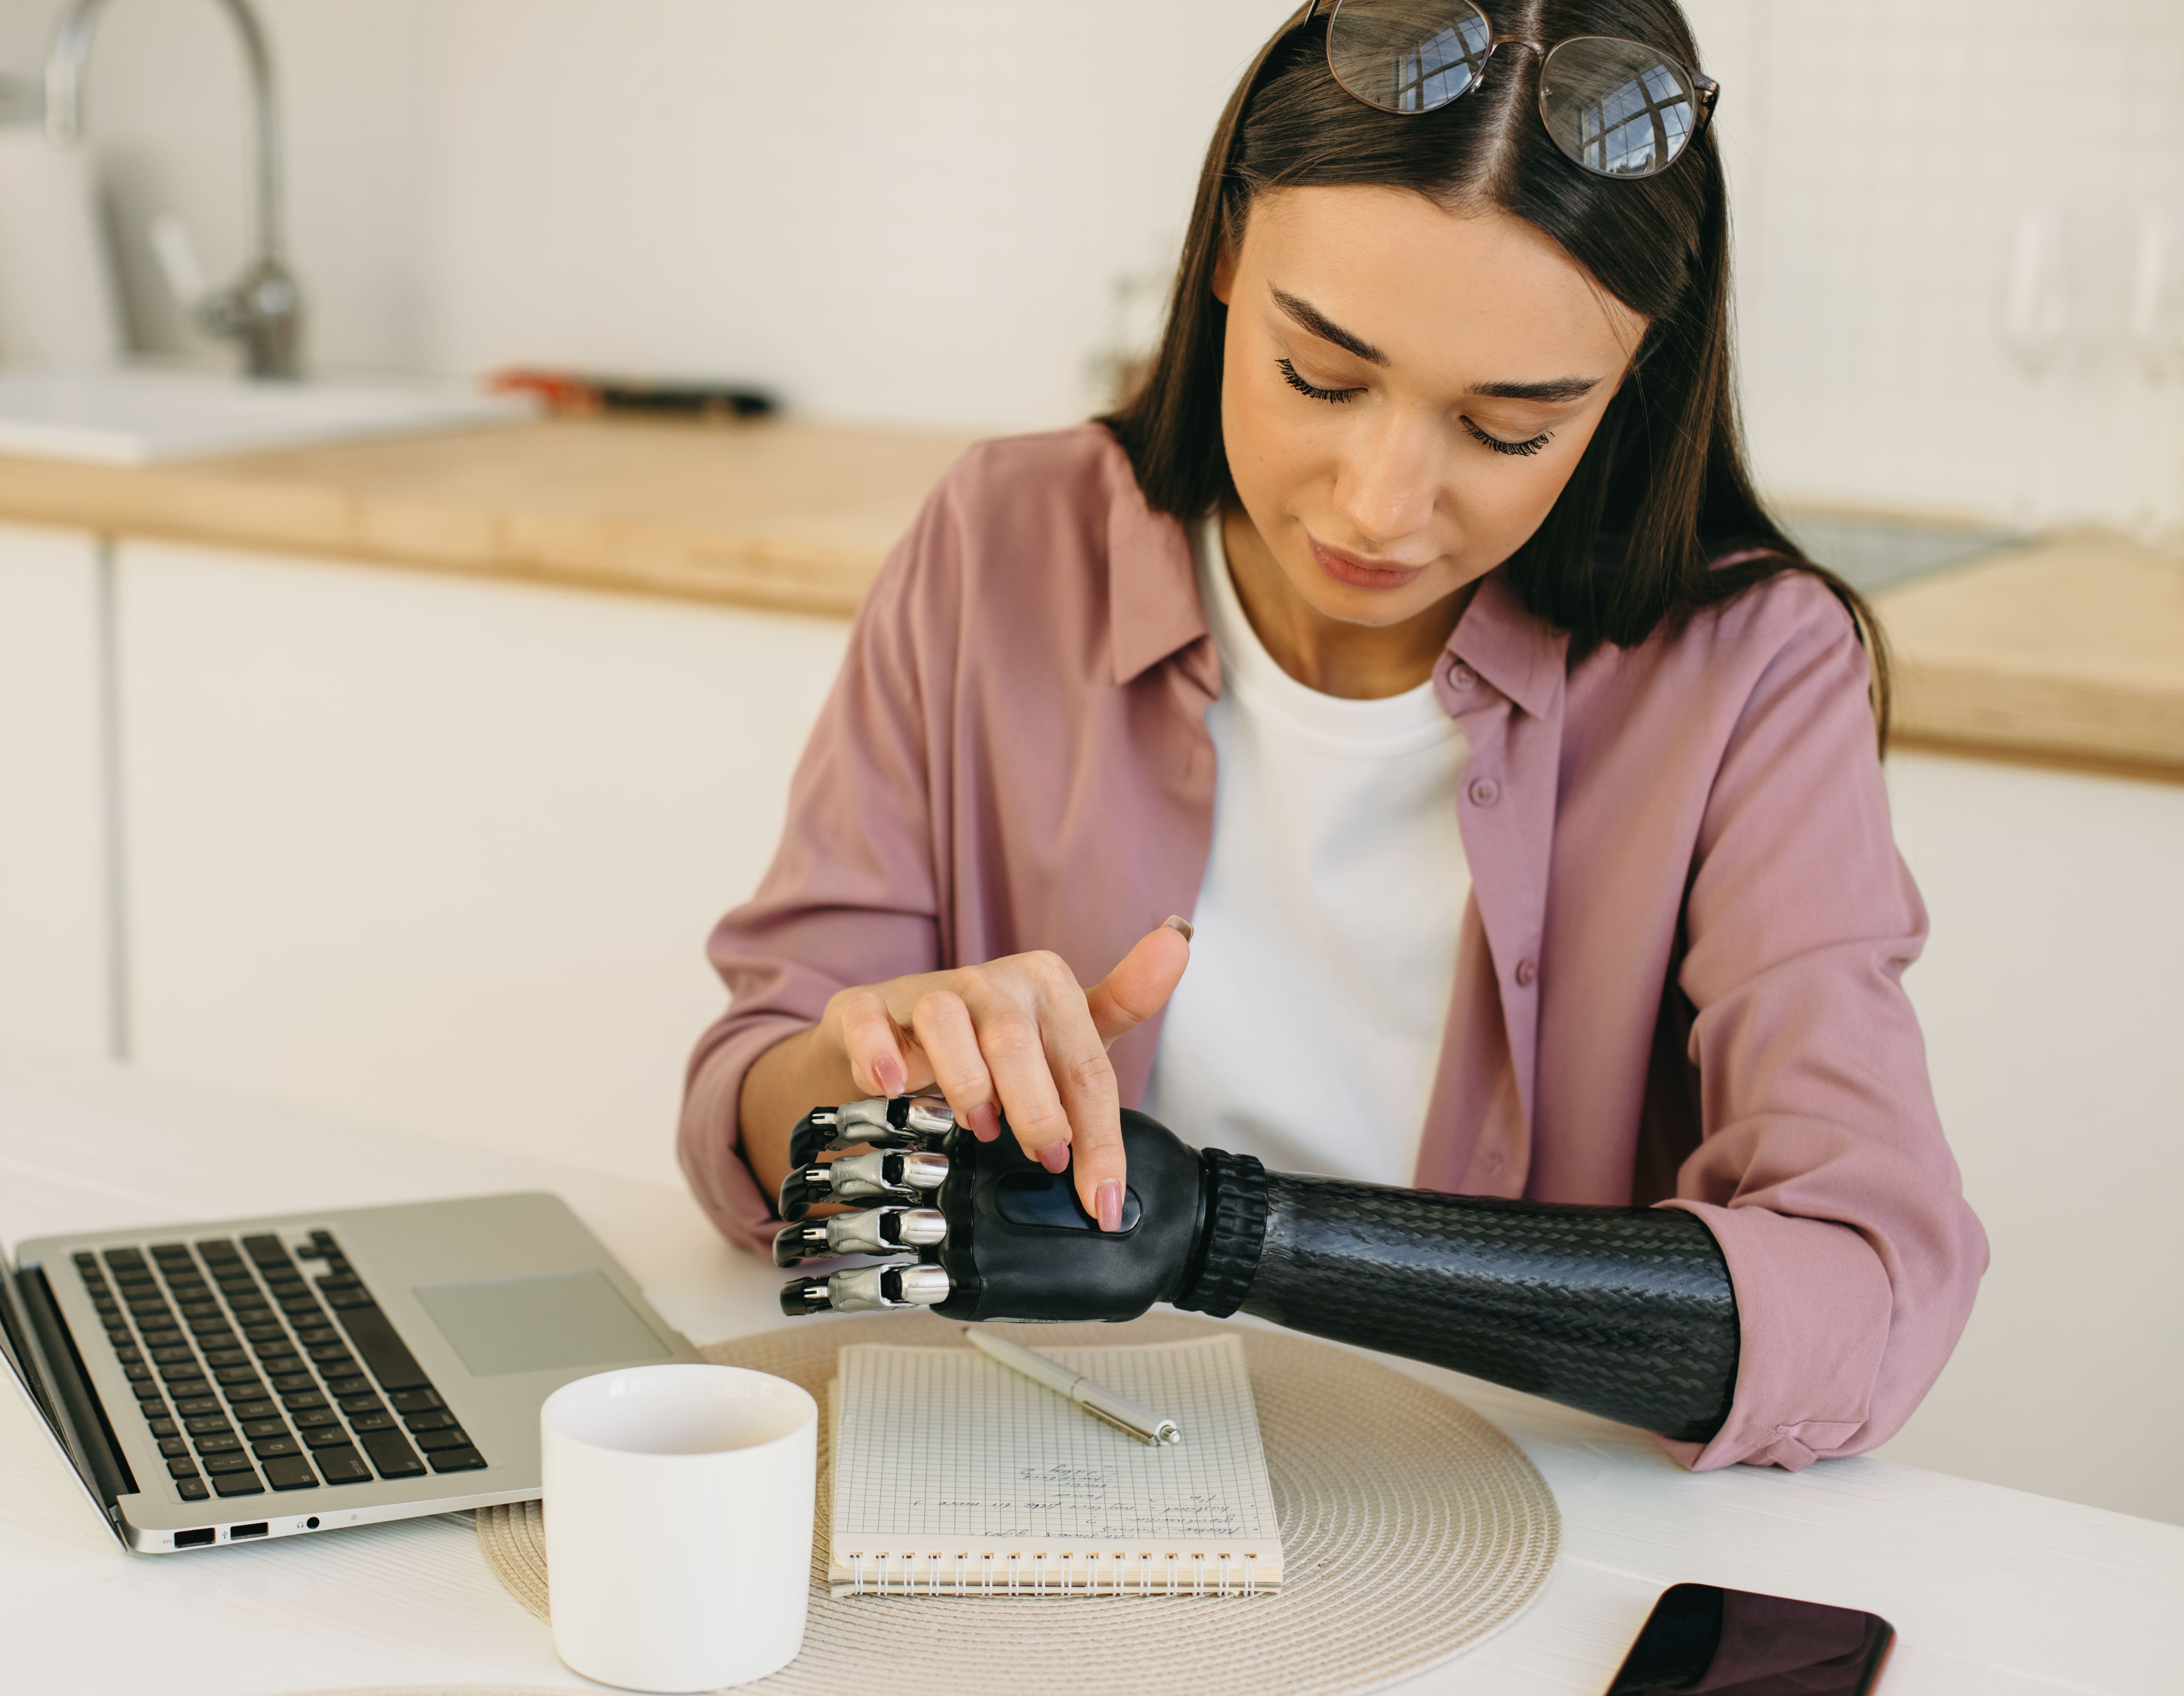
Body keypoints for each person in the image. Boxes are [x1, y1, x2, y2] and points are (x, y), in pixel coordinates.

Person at [679, 0, 1986, 1471]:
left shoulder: (1750, 672)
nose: (1379, 503)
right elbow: (751, 1094)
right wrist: (876, 1069)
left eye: (1509, 430)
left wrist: (1231, 1236)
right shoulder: (1005, 540)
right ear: (1228, 252)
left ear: (1633, 380)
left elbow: (1866, 1295)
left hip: (1507, 1515)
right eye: (1321, 375)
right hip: (1030, 1458)